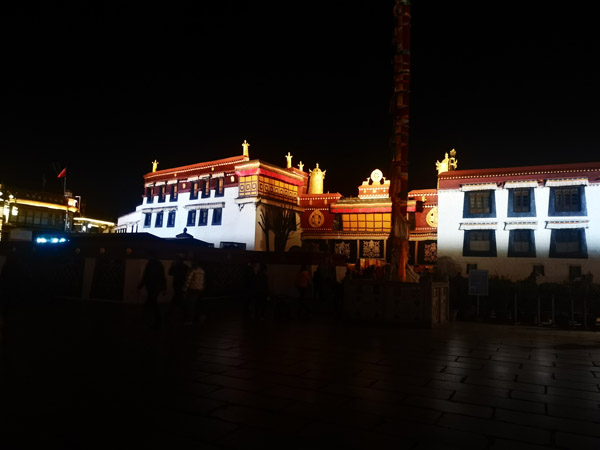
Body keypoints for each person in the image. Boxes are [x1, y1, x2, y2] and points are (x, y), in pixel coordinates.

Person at [138, 250, 167, 330]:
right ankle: (156, 319)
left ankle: (154, 319)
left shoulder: (149, 265)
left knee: (151, 302)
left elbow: (145, 276)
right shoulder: (159, 265)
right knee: (152, 302)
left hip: (151, 286)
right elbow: (162, 277)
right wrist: (164, 288)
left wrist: (140, 285)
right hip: (156, 286)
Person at [183, 259, 206, 325]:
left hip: (192, 289)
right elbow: (203, 281)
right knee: (199, 304)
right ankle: (200, 317)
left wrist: (184, 289)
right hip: (200, 289)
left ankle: (189, 320)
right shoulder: (202, 270)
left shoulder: (192, 270)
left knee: (191, 305)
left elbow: (188, 280)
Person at [167, 253, 188, 319]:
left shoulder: (175, 266)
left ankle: (172, 311)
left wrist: (172, 265)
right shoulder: (185, 267)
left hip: (176, 284)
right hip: (182, 284)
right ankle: (182, 312)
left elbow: (170, 273)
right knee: (179, 297)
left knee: (177, 297)